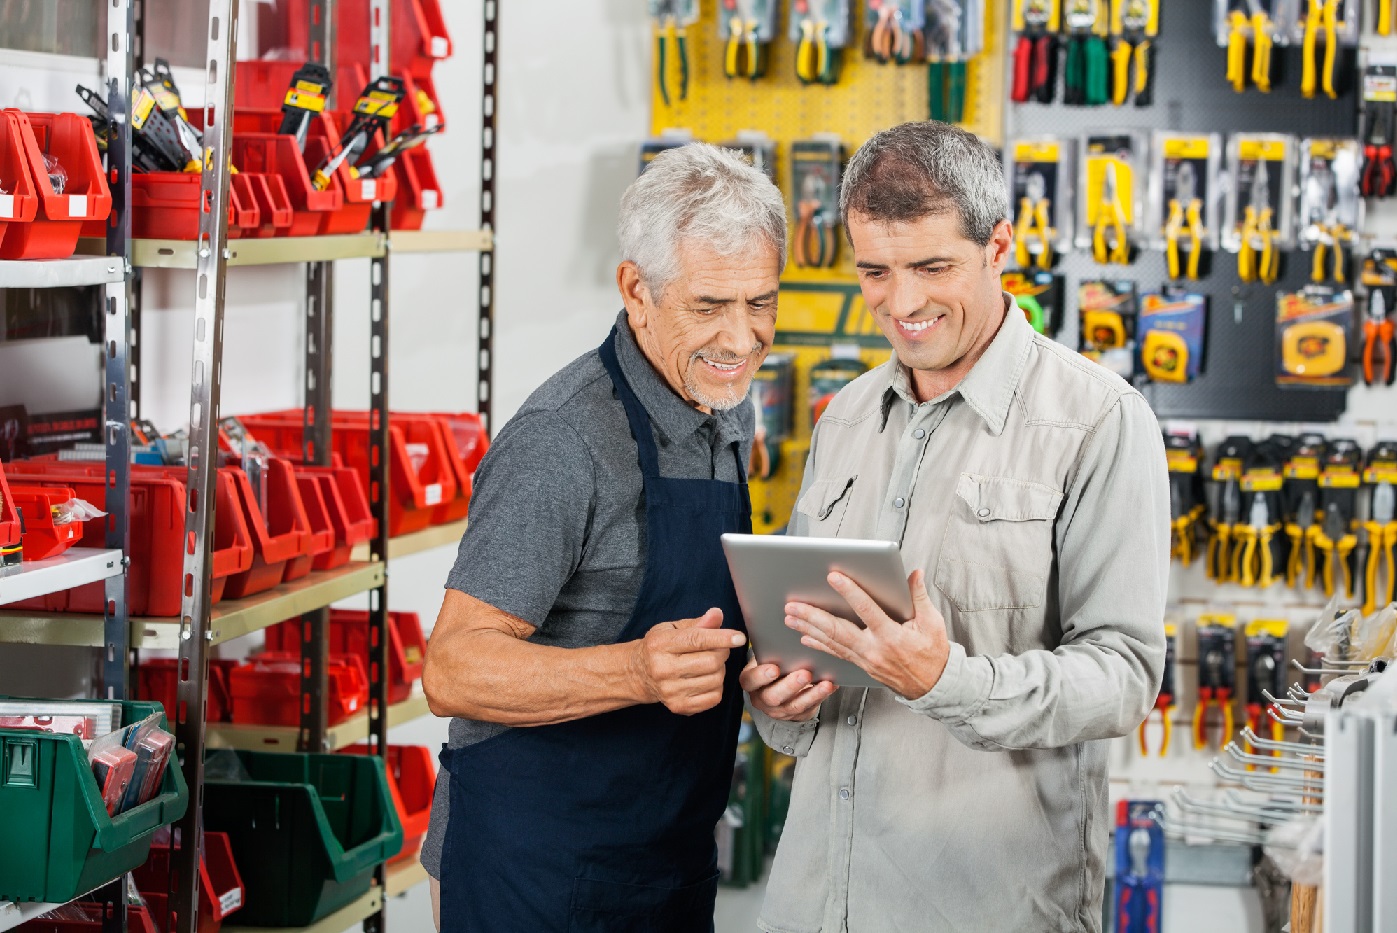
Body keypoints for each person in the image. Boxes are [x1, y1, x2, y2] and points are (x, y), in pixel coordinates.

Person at [741, 121, 1169, 933]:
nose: (901, 303)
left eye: (932, 266)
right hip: (814, 902)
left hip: (983, 906)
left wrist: (944, 679)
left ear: (998, 243)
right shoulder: (846, 419)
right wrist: (778, 697)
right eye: (875, 270)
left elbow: (1122, 678)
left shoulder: (1098, 422)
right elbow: (794, 662)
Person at [420, 142, 786, 933]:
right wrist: (636, 670)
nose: (742, 338)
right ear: (636, 290)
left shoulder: (723, 407)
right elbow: (451, 667)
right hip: (533, 873)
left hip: (666, 863)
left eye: (761, 302)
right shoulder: (564, 440)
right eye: (710, 305)